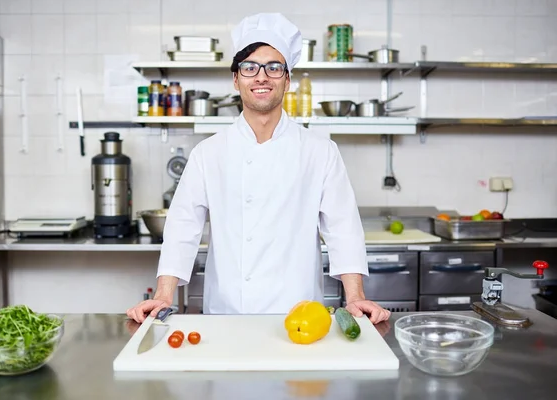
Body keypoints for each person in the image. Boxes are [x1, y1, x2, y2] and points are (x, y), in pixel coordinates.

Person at [127, 13, 390, 325]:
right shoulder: (208, 153)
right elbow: (182, 228)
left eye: (274, 67)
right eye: (250, 67)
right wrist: (163, 295)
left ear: (287, 79)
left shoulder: (320, 151)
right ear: (236, 79)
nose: (261, 76)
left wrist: (355, 296)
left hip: (300, 314)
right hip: (226, 314)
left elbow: (343, 228)